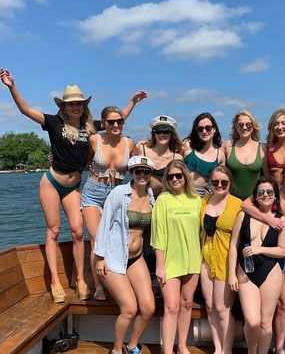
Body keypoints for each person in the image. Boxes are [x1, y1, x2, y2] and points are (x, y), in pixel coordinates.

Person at [0, 68, 146, 303]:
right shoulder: (53, 122)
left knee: (78, 232)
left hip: (75, 186)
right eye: (71, 104)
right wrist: (11, 86)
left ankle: (80, 279)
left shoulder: (89, 127)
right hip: (52, 182)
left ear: (83, 105)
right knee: (54, 231)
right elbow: (25, 110)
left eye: (79, 103)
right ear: (64, 107)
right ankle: (55, 282)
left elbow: (116, 121)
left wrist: (133, 102)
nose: (76, 107)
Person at [241, 160, 285, 354]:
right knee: (257, 311)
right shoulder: (271, 191)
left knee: (284, 303)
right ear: (283, 175)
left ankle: (278, 348)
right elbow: (244, 205)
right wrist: (268, 220)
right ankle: (256, 347)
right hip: (260, 255)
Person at [94, 156, 156, 354]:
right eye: (138, 171)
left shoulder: (151, 196)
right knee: (130, 308)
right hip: (113, 257)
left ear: (150, 175)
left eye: (146, 172)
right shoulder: (119, 194)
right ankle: (116, 351)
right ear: (131, 172)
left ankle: (132, 346)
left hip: (136, 258)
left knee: (148, 308)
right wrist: (100, 257)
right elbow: (104, 224)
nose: (142, 175)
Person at [228, 177, 285, 354]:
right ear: (255, 195)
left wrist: (259, 249)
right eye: (261, 192)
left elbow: (282, 251)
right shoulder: (243, 215)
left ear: (275, 196)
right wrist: (230, 274)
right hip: (245, 271)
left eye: (269, 192)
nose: (265, 195)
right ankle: (251, 350)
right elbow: (233, 247)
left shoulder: (281, 220)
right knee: (252, 322)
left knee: (265, 322)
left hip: (270, 271)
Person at [151, 160, 202, 354]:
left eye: (178, 176)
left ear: (186, 177)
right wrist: (159, 265)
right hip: (170, 262)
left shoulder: (196, 199)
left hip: (192, 260)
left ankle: (182, 346)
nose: (174, 180)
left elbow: (202, 231)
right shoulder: (162, 200)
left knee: (187, 303)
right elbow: (158, 234)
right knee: (171, 307)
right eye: (170, 177)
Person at [82, 106, 135, 301]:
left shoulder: (130, 143)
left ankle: (118, 280)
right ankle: (99, 286)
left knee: (118, 238)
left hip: (118, 193)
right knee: (97, 239)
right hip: (93, 192)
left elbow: (140, 164)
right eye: (111, 121)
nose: (115, 124)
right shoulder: (94, 140)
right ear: (103, 123)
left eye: (119, 121)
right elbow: (81, 159)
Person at [199, 166, 242, 354]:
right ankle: (217, 349)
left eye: (224, 182)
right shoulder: (204, 201)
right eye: (215, 182)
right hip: (205, 258)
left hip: (226, 260)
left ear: (230, 183)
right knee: (209, 306)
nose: (219, 185)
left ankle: (227, 352)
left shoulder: (238, 204)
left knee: (223, 308)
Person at [133, 115, 184, 198]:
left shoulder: (177, 158)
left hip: (166, 199)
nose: (162, 134)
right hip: (142, 198)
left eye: (166, 131)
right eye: (158, 131)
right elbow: (131, 170)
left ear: (172, 134)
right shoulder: (142, 150)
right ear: (154, 134)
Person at [222, 110, 266, 200]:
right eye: (240, 125)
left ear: (254, 126)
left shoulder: (262, 147)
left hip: (255, 203)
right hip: (231, 201)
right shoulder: (227, 146)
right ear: (235, 126)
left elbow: (267, 178)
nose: (244, 128)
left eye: (248, 124)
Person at [183, 112, 226, 197]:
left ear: (214, 129)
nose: (204, 131)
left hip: (205, 195)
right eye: (200, 129)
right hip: (184, 192)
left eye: (208, 128)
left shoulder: (220, 155)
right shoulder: (187, 145)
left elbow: (221, 179)